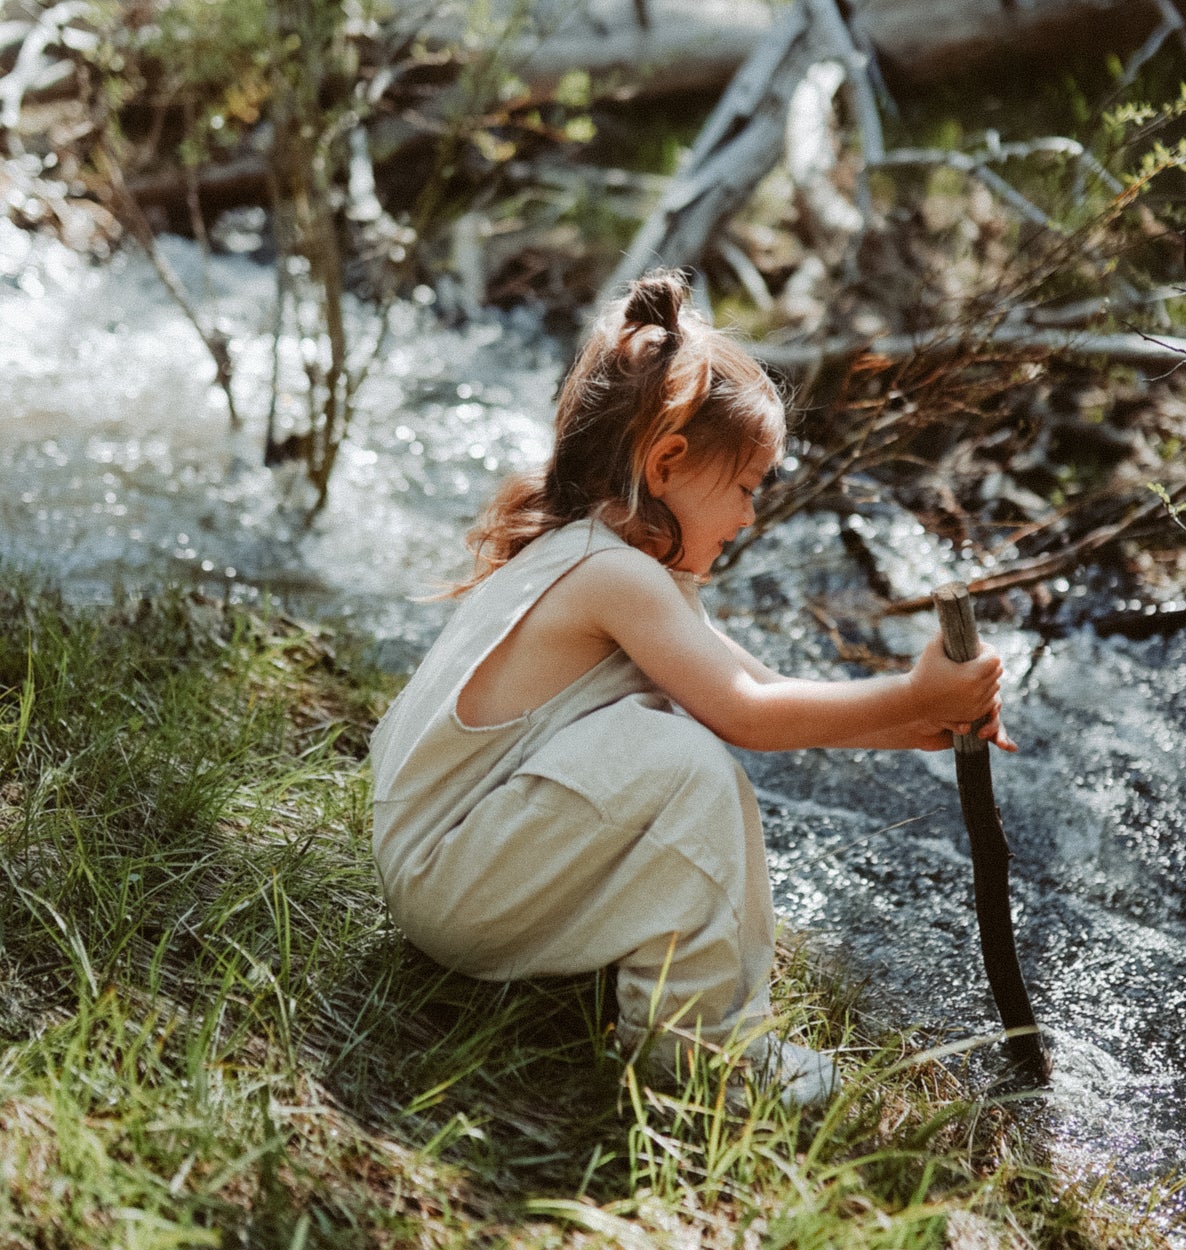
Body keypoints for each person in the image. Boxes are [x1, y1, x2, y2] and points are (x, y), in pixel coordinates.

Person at [370, 272, 1010, 1109]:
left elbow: (758, 685)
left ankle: (642, 974)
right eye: (746, 488)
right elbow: (744, 714)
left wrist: (917, 718)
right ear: (668, 462)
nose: (750, 516)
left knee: (660, 728)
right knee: (679, 755)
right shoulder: (613, 576)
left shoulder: (598, 556)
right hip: (451, 887)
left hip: (442, 872)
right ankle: (702, 1052)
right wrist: (912, 690)